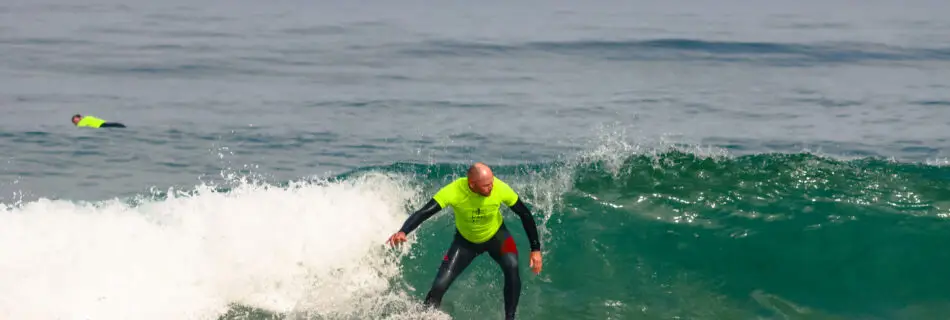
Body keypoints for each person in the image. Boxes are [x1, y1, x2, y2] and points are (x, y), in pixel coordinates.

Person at [387, 162, 543, 320]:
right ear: (472, 184)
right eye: (486, 185)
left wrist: (535, 249)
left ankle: (510, 318)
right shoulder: (454, 191)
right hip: (465, 242)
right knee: (439, 285)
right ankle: (424, 316)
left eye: (492, 183)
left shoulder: (499, 187)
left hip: (499, 236)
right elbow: (425, 211)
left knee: (512, 266)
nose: (491, 187)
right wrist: (403, 230)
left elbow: (524, 213)